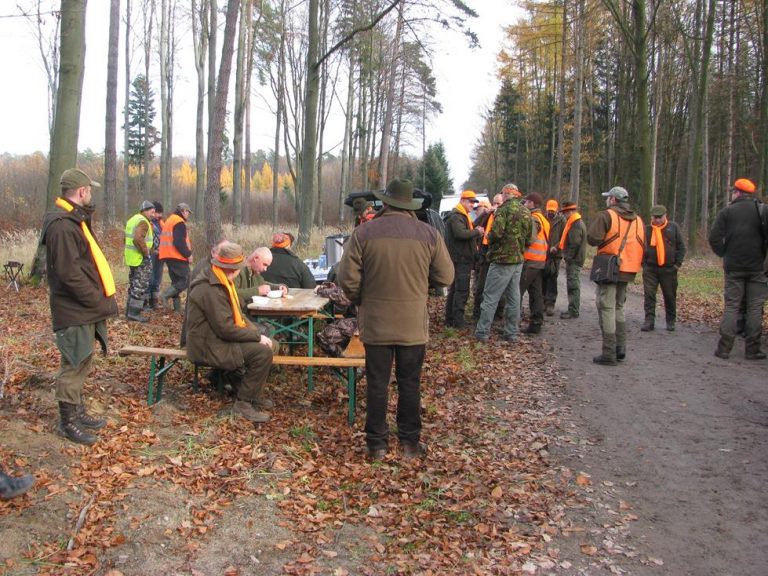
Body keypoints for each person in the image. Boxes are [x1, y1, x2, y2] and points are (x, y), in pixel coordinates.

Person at [337, 178, 454, 461]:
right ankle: (410, 444)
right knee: (409, 383)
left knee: (377, 383)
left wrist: (362, 299)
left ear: (385, 202)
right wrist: (419, 286)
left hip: (375, 323)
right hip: (412, 324)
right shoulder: (428, 234)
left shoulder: (364, 233)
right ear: (409, 205)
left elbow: (346, 279)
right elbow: (445, 277)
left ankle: (376, 445)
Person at [41, 168, 118, 444]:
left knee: (83, 358)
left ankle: (78, 411)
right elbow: (68, 273)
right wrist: (95, 299)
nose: (91, 194)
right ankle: (68, 422)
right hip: (74, 308)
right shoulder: (63, 225)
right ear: (82, 191)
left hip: (83, 308)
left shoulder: (74, 220)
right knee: (73, 362)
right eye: (90, 190)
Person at [186, 241, 275, 421]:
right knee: (262, 353)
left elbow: (236, 318)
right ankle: (243, 404)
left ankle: (247, 392)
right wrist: (257, 336)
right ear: (232, 268)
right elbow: (225, 329)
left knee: (269, 344)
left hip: (214, 339)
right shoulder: (211, 289)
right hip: (207, 345)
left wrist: (257, 334)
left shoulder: (220, 281)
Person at [708, 178, 768, 360]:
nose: (732, 195)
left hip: (733, 267)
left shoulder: (727, 212)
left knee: (732, 306)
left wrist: (724, 253)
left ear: (738, 193)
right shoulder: (763, 210)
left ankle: (724, 348)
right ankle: (752, 349)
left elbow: (714, 238)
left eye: (733, 192)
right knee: (755, 307)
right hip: (758, 267)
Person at [587, 186, 645, 365]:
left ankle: (609, 353)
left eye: (608, 198)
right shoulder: (638, 220)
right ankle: (621, 348)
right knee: (619, 307)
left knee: (607, 307)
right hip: (629, 269)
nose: (607, 200)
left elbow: (592, 239)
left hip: (610, 268)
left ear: (613, 200)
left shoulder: (606, 215)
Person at [474, 183, 532, 343]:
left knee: (490, 296)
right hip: (518, 261)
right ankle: (511, 333)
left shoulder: (503, 211)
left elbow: (496, 233)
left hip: (501, 260)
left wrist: (489, 237)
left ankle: (482, 332)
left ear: (506, 194)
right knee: (514, 299)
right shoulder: (526, 212)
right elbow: (530, 238)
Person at [642, 204, 686, 332]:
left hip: (669, 269)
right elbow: (640, 247)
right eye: (655, 217)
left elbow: (681, 247)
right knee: (649, 295)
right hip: (650, 268)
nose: (657, 220)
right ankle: (649, 321)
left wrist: (677, 265)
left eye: (659, 217)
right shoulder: (647, 229)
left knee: (669, 295)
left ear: (665, 216)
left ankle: (670, 321)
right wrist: (644, 264)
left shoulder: (673, 228)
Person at [444, 189, 484, 328]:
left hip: (459, 258)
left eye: (473, 202)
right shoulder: (457, 216)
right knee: (461, 290)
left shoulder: (461, 215)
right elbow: (460, 233)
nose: (472, 205)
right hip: (460, 259)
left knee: (455, 290)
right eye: (470, 202)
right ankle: (458, 321)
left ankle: (450, 319)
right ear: (462, 201)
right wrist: (477, 232)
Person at [519, 192, 549, 334]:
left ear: (531, 203)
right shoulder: (543, 219)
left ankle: (511, 325)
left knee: (516, 292)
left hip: (530, 261)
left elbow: (529, 239)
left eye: (526, 202)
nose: (524, 204)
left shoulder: (534, 219)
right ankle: (536, 324)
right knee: (536, 294)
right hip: (539, 261)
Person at [123, 200, 156, 322]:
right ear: (145, 211)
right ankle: (134, 314)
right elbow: (137, 239)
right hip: (140, 258)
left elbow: (126, 238)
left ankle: (129, 311)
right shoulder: (143, 222)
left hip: (132, 257)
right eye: (152, 212)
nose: (153, 214)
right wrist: (146, 252)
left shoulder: (133, 219)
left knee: (133, 284)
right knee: (140, 285)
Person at [472, 194, 503, 320]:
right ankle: (477, 313)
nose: (496, 206)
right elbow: (474, 225)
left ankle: (498, 315)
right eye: (494, 203)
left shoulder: (504, 217)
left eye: (498, 204)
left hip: (497, 255)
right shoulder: (488, 215)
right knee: (481, 286)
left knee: (499, 287)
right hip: (484, 255)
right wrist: (484, 213)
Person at [159, 202, 193, 312]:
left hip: (167, 255)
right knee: (187, 279)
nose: (188, 214)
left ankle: (177, 309)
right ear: (183, 211)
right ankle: (164, 295)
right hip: (176, 256)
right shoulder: (179, 222)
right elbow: (179, 242)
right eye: (188, 212)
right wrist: (188, 254)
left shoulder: (170, 220)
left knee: (176, 282)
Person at [557, 201, 587, 319]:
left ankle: (573, 310)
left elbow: (574, 244)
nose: (564, 215)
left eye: (565, 212)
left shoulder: (576, 224)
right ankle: (572, 309)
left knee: (573, 284)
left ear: (570, 211)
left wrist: (568, 257)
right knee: (572, 283)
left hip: (574, 260)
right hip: (575, 258)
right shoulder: (574, 222)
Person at [542, 199, 566, 316]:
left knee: (552, 279)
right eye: (548, 210)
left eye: (552, 210)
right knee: (542, 278)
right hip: (543, 253)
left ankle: (550, 303)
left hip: (555, 255)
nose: (550, 212)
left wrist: (556, 247)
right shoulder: (543, 218)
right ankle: (542, 302)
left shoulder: (562, 221)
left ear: (557, 209)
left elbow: (564, 237)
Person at [145, 201, 165, 310]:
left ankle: (155, 302)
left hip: (161, 254)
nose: (160, 215)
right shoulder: (148, 223)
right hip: (152, 253)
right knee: (150, 277)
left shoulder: (162, 223)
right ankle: (147, 302)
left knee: (158, 278)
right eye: (158, 213)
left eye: (161, 213)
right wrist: (153, 250)